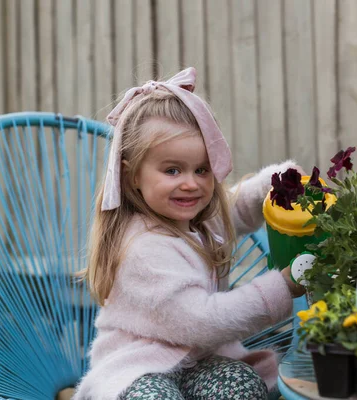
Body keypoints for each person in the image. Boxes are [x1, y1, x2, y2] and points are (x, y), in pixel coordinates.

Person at [74, 67, 305, 400]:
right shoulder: (143, 248)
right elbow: (204, 322)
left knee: (241, 385)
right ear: (132, 176)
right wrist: (282, 288)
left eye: (202, 169)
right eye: (172, 170)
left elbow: (236, 208)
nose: (191, 183)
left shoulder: (194, 218)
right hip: (137, 368)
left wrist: (276, 183)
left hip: (199, 361)